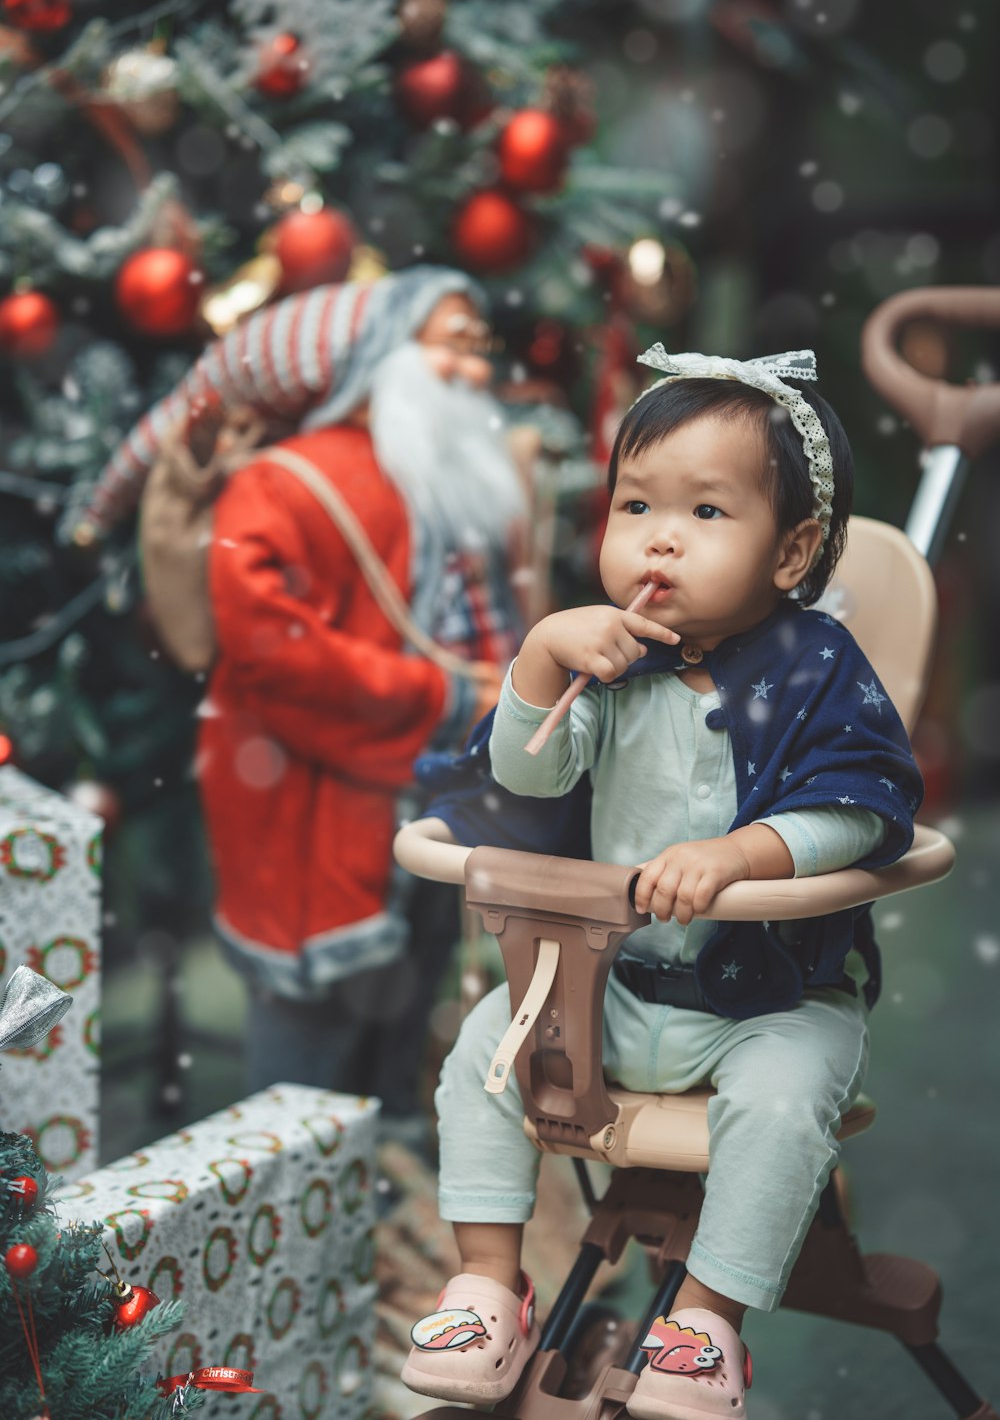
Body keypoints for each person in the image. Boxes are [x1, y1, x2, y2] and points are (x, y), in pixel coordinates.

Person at [400, 346, 922, 1417]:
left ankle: (705, 1318)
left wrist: (742, 855)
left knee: (783, 1101)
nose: (659, 535)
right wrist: (546, 655)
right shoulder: (611, 658)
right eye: (635, 502)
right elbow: (528, 773)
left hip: (772, 997)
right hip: (610, 986)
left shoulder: (817, 668)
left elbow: (861, 802)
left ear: (795, 549)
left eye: (705, 511)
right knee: (481, 1049)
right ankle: (490, 1281)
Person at [75, 266, 531, 1120]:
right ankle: (298, 1227)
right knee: (304, 1082)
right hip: (323, 819)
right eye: (453, 348)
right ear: (383, 358)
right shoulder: (288, 483)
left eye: (483, 350)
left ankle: (381, 1204)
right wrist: (441, 695)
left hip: (445, 810)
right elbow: (278, 662)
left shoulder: (457, 479)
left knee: (400, 1045)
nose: (475, 374)